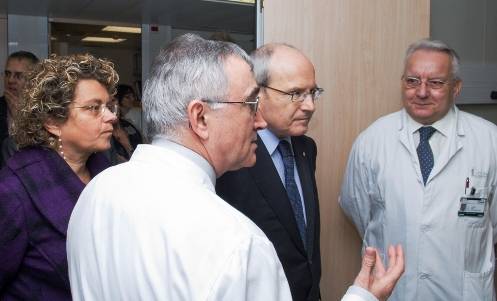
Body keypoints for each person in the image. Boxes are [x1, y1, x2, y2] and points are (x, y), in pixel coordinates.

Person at [67, 34, 404, 301]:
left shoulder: (96, 192)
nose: (259, 121)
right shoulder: (236, 242)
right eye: (249, 105)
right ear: (200, 117)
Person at [340, 38, 497, 300]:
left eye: (436, 83)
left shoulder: (490, 141)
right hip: (393, 291)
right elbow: (357, 209)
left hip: (463, 292)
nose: (421, 92)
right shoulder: (372, 140)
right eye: (412, 81)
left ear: (456, 88)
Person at [0, 53, 118, 300]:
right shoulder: (14, 190)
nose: (111, 116)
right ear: (52, 122)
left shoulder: (108, 175)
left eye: (109, 106)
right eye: (94, 108)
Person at [216, 43, 322, 301]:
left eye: (313, 92)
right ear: (257, 93)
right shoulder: (231, 158)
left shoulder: (307, 148)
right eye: (295, 93)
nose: (309, 106)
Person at [0, 51, 39, 166]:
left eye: (18, 76)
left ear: (33, 80)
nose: (10, 80)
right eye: (7, 74)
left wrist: (21, 118)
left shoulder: (44, 111)